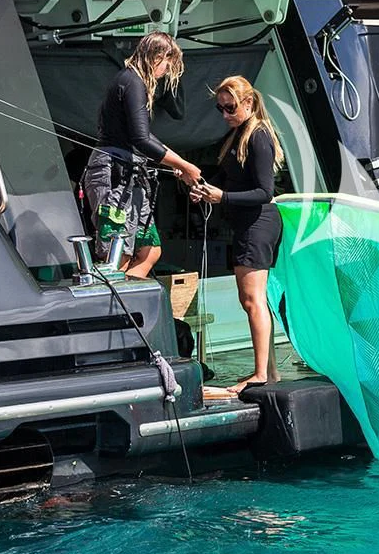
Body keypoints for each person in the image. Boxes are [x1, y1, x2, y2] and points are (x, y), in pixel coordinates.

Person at [190, 76, 284, 394]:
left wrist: (222, 198)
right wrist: (201, 187)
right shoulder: (237, 136)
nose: (225, 114)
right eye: (220, 108)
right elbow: (224, 178)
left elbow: (264, 191)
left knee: (252, 300)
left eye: (230, 107)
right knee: (254, 301)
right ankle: (268, 371)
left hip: (259, 223)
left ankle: (260, 373)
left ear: (248, 103)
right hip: (248, 225)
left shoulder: (258, 136)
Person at [82, 32, 200, 278]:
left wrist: (175, 161)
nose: (167, 70)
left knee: (150, 250)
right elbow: (141, 139)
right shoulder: (131, 81)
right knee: (118, 254)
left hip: (130, 175)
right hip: (113, 174)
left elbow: (143, 136)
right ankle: (117, 304)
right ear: (157, 56)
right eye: (167, 63)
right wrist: (184, 165)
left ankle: (129, 297)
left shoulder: (134, 82)